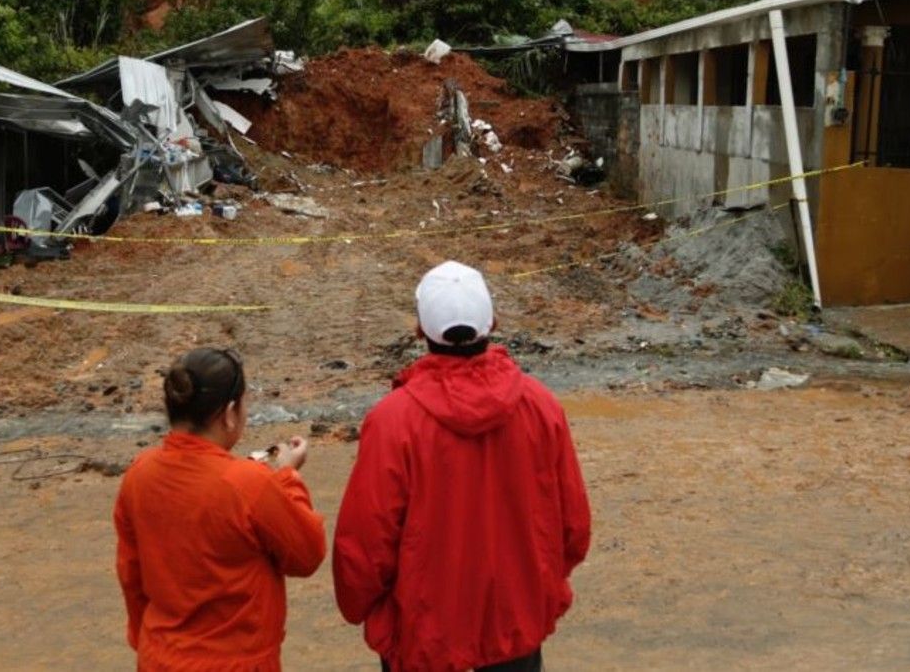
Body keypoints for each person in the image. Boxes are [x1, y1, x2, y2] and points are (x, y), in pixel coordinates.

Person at [333, 261, 592, 672]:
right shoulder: (541, 407)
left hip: (424, 636)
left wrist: (366, 608)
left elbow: (365, 543)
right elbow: (573, 528)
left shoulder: (393, 421)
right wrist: (533, 586)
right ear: (494, 322)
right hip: (513, 628)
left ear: (419, 330)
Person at [113, 348, 325, 671]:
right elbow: (307, 553)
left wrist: (146, 641)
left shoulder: (139, 474)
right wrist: (288, 478)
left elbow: (131, 574)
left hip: (161, 655)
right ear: (228, 413)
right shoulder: (247, 483)